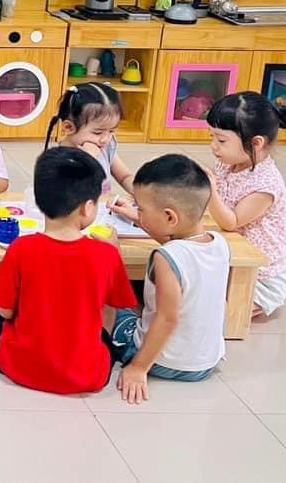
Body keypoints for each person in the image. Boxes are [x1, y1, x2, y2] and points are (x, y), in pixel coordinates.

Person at [0, 147, 137, 395]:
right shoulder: (107, 254)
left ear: (38, 201)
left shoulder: (21, 249)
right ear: (87, 207)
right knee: (108, 306)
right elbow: (114, 303)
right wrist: (116, 252)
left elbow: (4, 311)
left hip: (21, 366)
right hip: (89, 375)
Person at [109, 154, 230, 403]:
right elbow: (179, 244)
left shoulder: (166, 258)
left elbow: (168, 318)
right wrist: (139, 219)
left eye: (141, 209)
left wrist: (138, 368)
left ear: (169, 218)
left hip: (164, 363)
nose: (138, 213)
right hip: (205, 362)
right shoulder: (219, 244)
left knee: (114, 309)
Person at [205, 91, 286, 317]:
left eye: (221, 140)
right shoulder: (229, 162)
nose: (214, 146)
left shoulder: (265, 185)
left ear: (256, 143)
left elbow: (231, 222)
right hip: (229, 256)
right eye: (212, 137)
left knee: (207, 311)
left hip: (258, 277)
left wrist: (210, 191)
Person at [45, 83, 133, 196]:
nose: (105, 139)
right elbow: (69, 197)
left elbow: (124, 176)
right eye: (97, 133)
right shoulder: (58, 160)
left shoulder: (104, 147)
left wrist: (141, 193)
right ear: (68, 127)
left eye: (111, 131)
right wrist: (87, 160)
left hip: (103, 206)